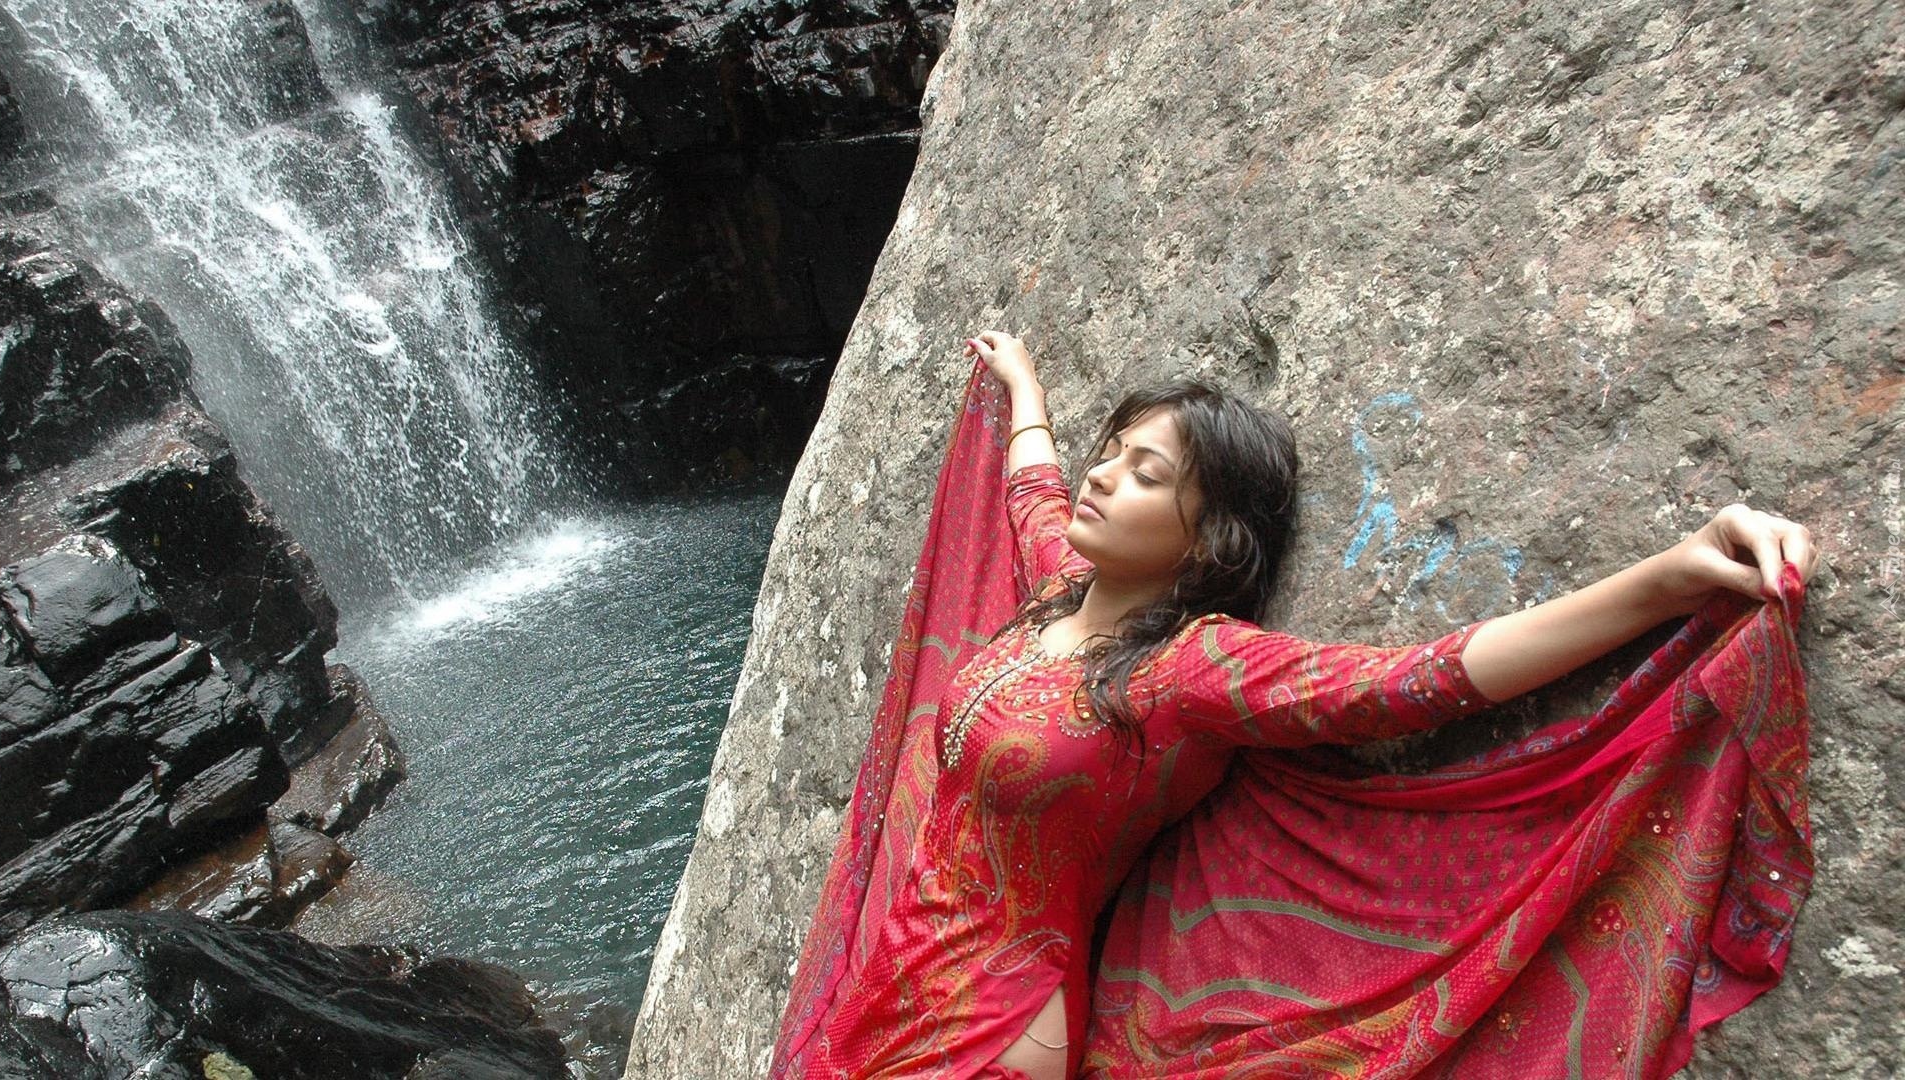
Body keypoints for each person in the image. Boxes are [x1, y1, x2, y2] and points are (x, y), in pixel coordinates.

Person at [769, 329, 1817, 1080]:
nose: (1104, 477)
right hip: (899, 971)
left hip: (998, 1025)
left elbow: (1417, 682)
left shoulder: (1188, 671)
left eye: (1145, 473)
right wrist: (1025, 387)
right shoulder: (1058, 592)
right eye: (1109, 453)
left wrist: (1672, 575)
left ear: (1208, 537)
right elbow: (1032, 493)